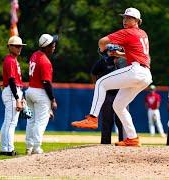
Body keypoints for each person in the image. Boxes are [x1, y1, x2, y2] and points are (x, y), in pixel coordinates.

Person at [71, 7, 152, 147]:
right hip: (145, 75)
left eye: (129, 18)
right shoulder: (143, 34)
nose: (125, 20)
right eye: (124, 17)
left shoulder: (127, 32)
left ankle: (92, 118)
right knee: (118, 105)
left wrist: (102, 50)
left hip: (136, 70)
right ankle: (132, 138)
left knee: (101, 82)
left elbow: (102, 41)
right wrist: (119, 54)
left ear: (138, 21)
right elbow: (137, 55)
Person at [25, 34, 58, 155]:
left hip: (30, 91)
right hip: (40, 92)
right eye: (52, 45)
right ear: (46, 47)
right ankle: (36, 147)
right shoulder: (45, 61)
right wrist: (52, 100)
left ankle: (29, 146)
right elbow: (46, 83)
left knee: (31, 121)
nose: (54, 46)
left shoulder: (35, 55)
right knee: (41, 121)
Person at [91, 49, 126, 144]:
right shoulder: (104, 61)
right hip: (108, 94)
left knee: (122, 121)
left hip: (121, 94)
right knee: (107, 120)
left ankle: (123, 142)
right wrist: (97, 86)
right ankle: (105, 144)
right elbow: (94, 73)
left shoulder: (125, 60)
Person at [0, 36, 26, 156]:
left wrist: (22, 97)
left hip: (13, 90)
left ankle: (5, 148)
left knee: (8, 122)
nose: (19, 48)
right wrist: (17, 98)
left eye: (20, 46)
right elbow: (11, 80)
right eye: (16, 46)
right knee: (11, 122)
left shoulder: (13, 60)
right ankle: (9, 149)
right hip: (12, 91)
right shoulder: (10, 60)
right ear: (9, 47)